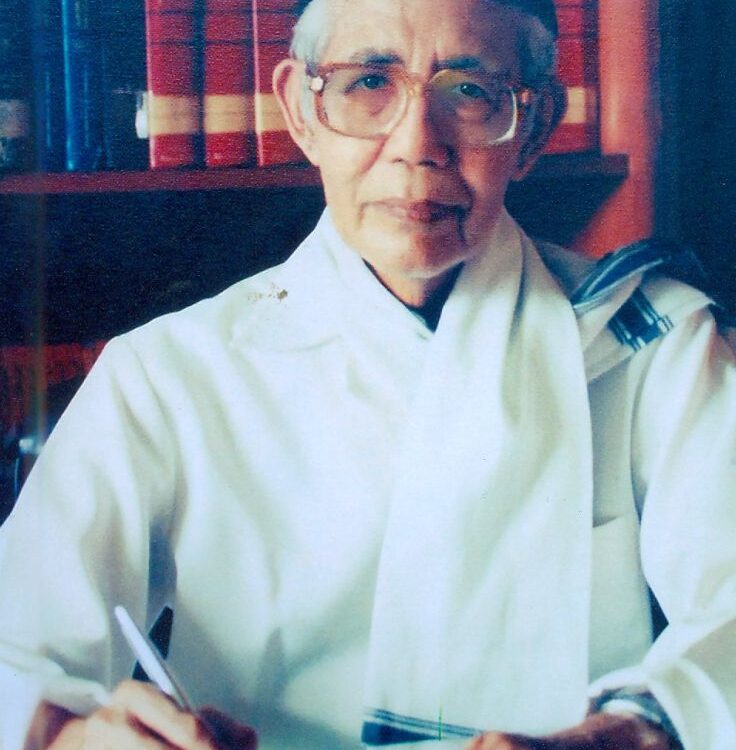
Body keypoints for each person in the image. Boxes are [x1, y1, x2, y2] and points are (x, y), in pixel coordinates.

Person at [1, 0, 735, 748]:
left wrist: (627, 735)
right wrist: (76, 737)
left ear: (535, 127)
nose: (416, 146)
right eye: (368, 83)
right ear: (300, 110)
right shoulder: (167, 376)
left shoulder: (654, 346)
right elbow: (14, 650)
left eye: (470, 91)